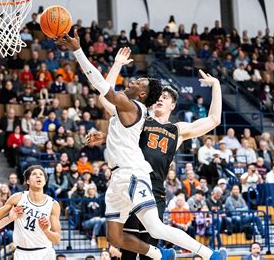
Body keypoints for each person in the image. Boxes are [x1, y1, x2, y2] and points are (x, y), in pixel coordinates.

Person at [58, 32, 225, 259]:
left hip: (146, 183)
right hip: (122, 178)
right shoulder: (142, 117)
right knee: (117, 240)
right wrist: (107, 135)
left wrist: (216, 86)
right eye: (160, 96)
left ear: (173, 104)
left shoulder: (176, 129)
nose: (161, 99)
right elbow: (117, 118)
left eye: (166, 97)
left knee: (154, 231)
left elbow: (213, 121)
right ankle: (161, 254)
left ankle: (208, 254)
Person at [0, 165, 61, 259]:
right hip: (22, 253)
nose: (38, 176)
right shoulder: (17, 198)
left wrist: (46, 231)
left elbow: (57, 239)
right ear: (27, 181)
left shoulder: (53, 204)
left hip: (45, 253)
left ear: (45, 181)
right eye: (34, 174)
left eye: (41, 174)